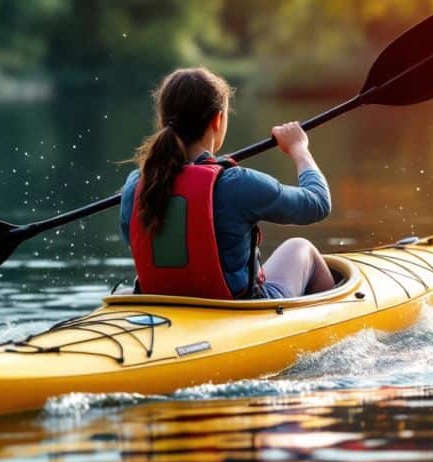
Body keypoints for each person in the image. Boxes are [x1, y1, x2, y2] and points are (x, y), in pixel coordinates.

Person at [119, 67, 335, 300]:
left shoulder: (135, 186)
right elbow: (318, 202)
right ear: (217, 119)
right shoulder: (237, 183)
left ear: (163, 120)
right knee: (301, 248)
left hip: (162, 305)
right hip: (237, 309)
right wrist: (299, 149)